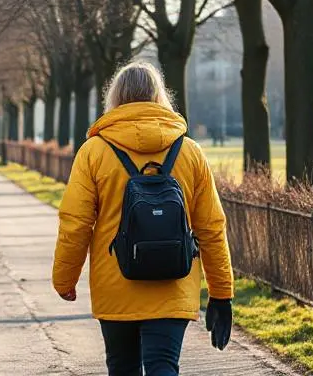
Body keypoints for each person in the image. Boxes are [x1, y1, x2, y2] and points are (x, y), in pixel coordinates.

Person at [52, 62, 234, 376]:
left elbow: (76, 222)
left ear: (115, 98)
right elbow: (211, 228)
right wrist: (221, 292)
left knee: (122, 368)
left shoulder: (94, 152)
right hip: (173, 282)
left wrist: (64, 279)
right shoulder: (190, 152)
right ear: (159, 96)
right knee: (164, 365)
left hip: (116, 281)